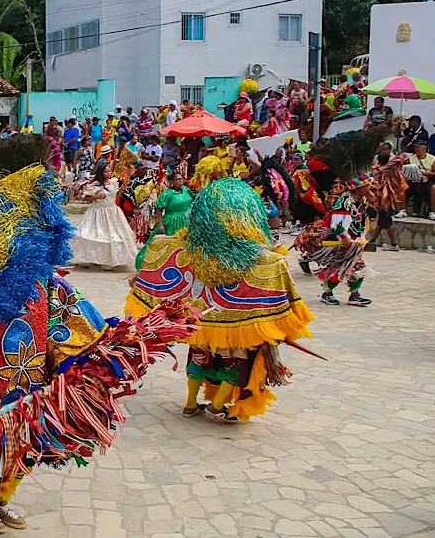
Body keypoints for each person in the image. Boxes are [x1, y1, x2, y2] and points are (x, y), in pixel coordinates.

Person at [0, 135, 196, 533]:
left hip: (31, 394)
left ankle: (1, 501)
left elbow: (84, 334)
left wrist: (131, 339)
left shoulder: (45, 289)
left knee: (24, 450)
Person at [128, 177, 313, 421]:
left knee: (198, 357)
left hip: (199, 323)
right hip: (236, 330)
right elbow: (282, 295)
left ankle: (190, 403)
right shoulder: (264, 260)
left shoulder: (180, 250)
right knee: (235, 363)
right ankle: (216, 405)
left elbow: (157, 255)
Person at [295, 129, 382, 306]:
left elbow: (361, 221)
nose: (370, 188)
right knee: (339, 267)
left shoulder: (360, 202)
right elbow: (337, 224)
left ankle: (354, 294)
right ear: (358, 187)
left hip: (353, 242)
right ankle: (328, 293)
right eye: (367, 185)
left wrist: (360, 238)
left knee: (357, 267)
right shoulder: (345, 201)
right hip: (342, 241)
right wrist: (344, 238)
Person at [72, 160, 138, 269]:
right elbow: (86, 198)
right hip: (97, 213)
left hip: (113, 212)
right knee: (94, 235)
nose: (109, 173)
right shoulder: (94, 185)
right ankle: (91, 258)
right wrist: (96, 197)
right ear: (101, 173)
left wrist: (122, 189)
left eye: (109, 171)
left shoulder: (113, 183)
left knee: (114, 236)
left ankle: (109, 260)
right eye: (106, 172)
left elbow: (115, 197)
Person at [406, 140, 435, 219]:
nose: (416, 149)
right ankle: (402, 210)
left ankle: (432, 212)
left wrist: (427, 174)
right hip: (414, 181)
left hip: (427, 180)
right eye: (415, 147)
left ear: (425, 148)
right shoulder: (411, 159)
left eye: (418, 147)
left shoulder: (432, 159)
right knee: (403, 187)